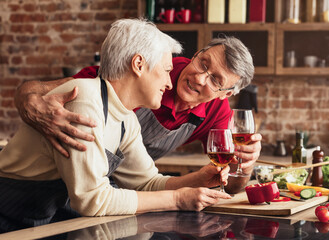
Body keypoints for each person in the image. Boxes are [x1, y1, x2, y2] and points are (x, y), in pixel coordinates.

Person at [0, 18, 232, 229]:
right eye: (165, 71)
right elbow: (92, 199)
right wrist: (178, 200)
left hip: (45, 214)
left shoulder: (126, 117)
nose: (169, 84)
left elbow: (147, 182)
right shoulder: (84, 100)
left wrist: (197, 180)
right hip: (8, 210)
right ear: (138, 64)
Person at [15, 27, 262, 193]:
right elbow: (33, 90)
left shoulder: (217, 113)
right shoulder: (145, 71)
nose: (199, 78)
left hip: (130, 186)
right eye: (202, 63)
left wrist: (246, 165)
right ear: (196, 54)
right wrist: (29, 104)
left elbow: (230, 186)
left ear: (227, 94)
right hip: (63, 183)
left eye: (215, 81)